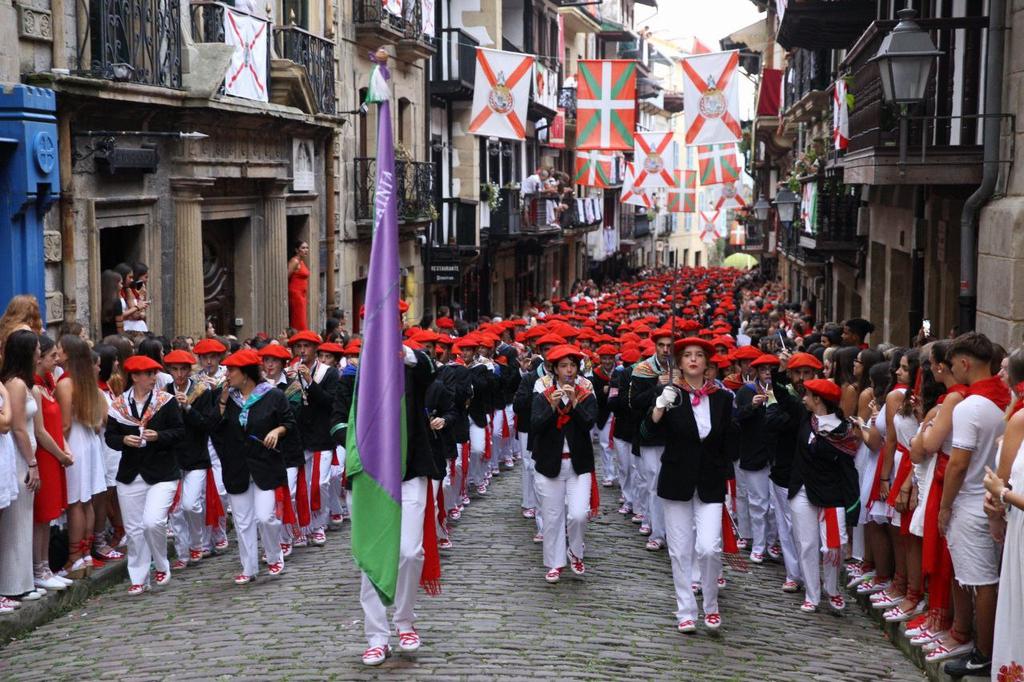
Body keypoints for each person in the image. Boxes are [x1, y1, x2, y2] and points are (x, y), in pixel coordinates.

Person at [642, 336, 736, 632]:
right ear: (680, 363)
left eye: (699, 355)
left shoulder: (722, 398)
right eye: (687, 356)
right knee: (680, 550)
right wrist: (659, 409)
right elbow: (646, 433)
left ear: (707, 364)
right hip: (676, 481)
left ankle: (711, 604)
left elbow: (730, 443)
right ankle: (685, 609)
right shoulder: (670, 394)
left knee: (709, 547)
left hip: (710, 483)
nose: (693, 359)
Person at [935, 332, 1009, 675]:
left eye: (952, 364)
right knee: (984, 580)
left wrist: (945, 506)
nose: (951, 371)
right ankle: (985, 649)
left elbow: (958, 463)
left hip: (971, 503)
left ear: (965, 363)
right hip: (988, 501)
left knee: (981, 582)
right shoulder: (1001, 398)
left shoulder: (970, 406)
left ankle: (983, 654)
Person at [210, 349, 294, 584]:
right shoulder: (226, 398)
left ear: (245, 374)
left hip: (265, 464)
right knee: (243, 521)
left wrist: (277, 431)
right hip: (236, 466)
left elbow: (289, 422)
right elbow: (212, 426)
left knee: (266, 516)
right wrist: (223, 400)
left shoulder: (273, 395)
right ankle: (249, 567)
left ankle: (274, 555)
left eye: (231, 370)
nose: (227, 374)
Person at [105, 355, 185, 595]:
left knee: (153, 522)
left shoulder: (166, 401)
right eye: (148, 374)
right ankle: (138, 577)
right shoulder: (119, 405)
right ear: (135, 377)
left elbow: (180, 431)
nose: (153, 378)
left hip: (162, 472)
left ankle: (161, 564)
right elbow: (110, 437)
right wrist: (123, 440)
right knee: (134, 529)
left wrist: (159, 436)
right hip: (130, 474)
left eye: (154, 374)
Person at [789, 378, 860, 613]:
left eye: (808, 395)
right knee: (807, 545)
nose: (804, 399)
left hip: (832, 495)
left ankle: (833, 589)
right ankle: (812, 594)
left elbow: (849, 471)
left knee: (833, 546)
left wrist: (852, 505)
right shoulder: (804, 418)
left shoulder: (843, 430)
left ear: (818, 399)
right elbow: (782, 394)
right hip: (802, 490)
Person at [530, 345, 597, 584]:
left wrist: (576, 403)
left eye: (572, 366)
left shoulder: (586, 392)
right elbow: (535, 425)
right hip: (550, 464)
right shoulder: (543, 393)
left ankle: (576, 552)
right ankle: (554, 563)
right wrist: (551, 406)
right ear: (555, 370)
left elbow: (590, 424)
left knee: (578, 514)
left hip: (579, 464)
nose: (569, 371)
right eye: (564, 366)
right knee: (552, 516)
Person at [55, 334, 109, 578]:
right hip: (89, 440)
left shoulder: (66, 384)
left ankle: (75, 556)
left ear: (67, 353)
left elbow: (64, 424)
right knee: (85, 500)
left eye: (59, 348)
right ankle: (85, 553)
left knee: (76, 501)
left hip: (74, 441)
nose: (56, 352)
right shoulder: (88, 382)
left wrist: (56, 445)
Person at [0, 331, 42, 608]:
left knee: (25, 519)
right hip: (17, 458)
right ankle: (12, 583)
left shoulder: (25, 384)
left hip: (25, 456)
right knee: (15, 521)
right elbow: (16, 427)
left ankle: (24, 581)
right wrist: (32, 462)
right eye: (38, 348)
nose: (40, 352)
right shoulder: (14, 384)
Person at [164, 349, 215, 571]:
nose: (179, 374)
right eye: (174, 370)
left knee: (191, 504)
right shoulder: (164, 392)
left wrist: (187, 407)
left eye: (183, 369)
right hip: (173, 457)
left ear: (189, 370)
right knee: (175, 510)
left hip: (196, 456)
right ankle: (182, 552)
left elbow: (206, 424)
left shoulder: (201, 391)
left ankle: (198, 542)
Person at [288, 330, 339, 546]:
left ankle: (319, 524)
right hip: (299, 436)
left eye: (306, 347)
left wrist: (310, 383)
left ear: (315, 349)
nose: (302, 351)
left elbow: (330, 402)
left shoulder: (328, 373)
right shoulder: (290, 373)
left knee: (320, 483)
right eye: (298, 347)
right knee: (302, 485)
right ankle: (304, 525)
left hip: (321, 436)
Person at [31, 335, 73, 592]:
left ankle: (45, 565)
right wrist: (60, 453)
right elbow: (40, 431)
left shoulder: (49, 384)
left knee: (50, 515)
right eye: (52, 356)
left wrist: (65, 449)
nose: (56, 360)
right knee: (42, 514)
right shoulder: (35, 388)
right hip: (46, 455)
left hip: (55, 454)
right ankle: (38, 568)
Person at [288, 241, 311, 332]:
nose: (306, 250)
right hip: (296, 293)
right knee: (299, 319)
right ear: (297, 250)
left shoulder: (301, 261)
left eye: (307, 248)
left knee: (302, 318)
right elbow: (287, 276)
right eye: (303, 248)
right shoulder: (295, 261)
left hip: (302, 294)